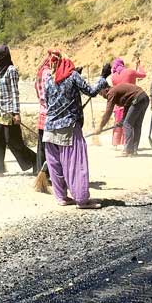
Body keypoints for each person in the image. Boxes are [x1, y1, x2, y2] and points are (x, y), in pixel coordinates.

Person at [42, 53, 108, 209]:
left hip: (49, 128)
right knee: (75, 163)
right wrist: (103, 77)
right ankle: (81, 200)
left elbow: (48, 100)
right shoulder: (72, 76)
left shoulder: (48, 81)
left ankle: (61, 197)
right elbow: (91, 91)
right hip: (69, 127)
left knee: (55, 165)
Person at [0, 44, 37, 176]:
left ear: (3, 57)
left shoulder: (11, 70)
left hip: (10, 111)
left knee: (13, 142)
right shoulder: (0, 71)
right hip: (1, 110)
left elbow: (15, 93)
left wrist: (16, 113)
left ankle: (35, 161)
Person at [98, 82, 149, 157]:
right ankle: (134, 150)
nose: (102, 96)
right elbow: (127, 106)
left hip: (138, 99)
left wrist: (100, 127)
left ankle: (128, 150)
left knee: (127, 124)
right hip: (144, 98)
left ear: (105, 89)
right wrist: (120, 122)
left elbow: (108, 112)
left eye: (100, 93)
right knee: (136, 125)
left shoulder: (111, 92)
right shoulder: (117, 91)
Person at [35, 49, 62, 175]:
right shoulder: (48, 74)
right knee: (51, 147)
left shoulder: (40, 72)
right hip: (50, 114)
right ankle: (49, 174)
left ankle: (40, 173)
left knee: (41, 146)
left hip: (41, 113)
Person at [110, 57, 146, 150]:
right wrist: (140, 66)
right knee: (131, 124)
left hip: (119, 103)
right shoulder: (130, 72)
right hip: (132, 101)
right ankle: (130, 147)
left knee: (119, 122)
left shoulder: (113, 76)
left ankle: (116, 144)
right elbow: (143, 75)